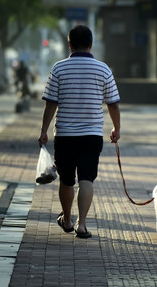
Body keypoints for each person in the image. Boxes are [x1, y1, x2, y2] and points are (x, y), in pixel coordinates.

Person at [38, 25, 121, 239]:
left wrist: (44, 130)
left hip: (65, 135)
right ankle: (82, 224)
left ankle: (66, 220)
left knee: (66, 180)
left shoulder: (59, 68)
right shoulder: (104, 70)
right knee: (87, 179)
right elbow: (113, 104)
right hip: (92, 135)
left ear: (70, 44)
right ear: (91, 45)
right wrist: (116, 128)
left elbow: (51, 103)